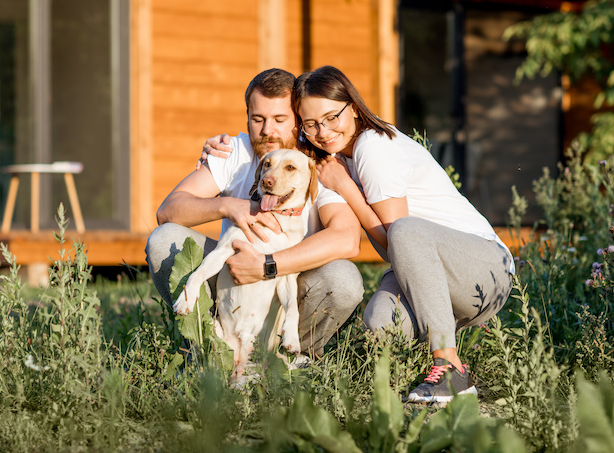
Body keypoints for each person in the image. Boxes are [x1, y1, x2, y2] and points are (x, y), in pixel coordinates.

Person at [203, 66, 514, 404]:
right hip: (440, 276)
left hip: (483, 267)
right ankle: (414, 369)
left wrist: (346, 188)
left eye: (332, 117)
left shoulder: (372, 147)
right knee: (380, 326)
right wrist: (223, 143)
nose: (323, 131)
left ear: (352, 106)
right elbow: (280, 141)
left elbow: (395, 242)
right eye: (311, 123)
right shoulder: (336, 154)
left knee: (405, 230)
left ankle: (450, 366)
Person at [146, 68, 365, 358]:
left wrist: (267, 264)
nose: (266, 131)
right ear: (247, 116)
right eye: (258, 119)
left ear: (298, 121)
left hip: (289, 284)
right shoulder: (233, 152)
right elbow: (168, 210)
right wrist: (229, 206)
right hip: (229, 277)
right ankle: (210, 350)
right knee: (165, 238)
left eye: (279, 120)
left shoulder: (318, 165)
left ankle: (290, 356)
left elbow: (347, 239)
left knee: (343, 279)